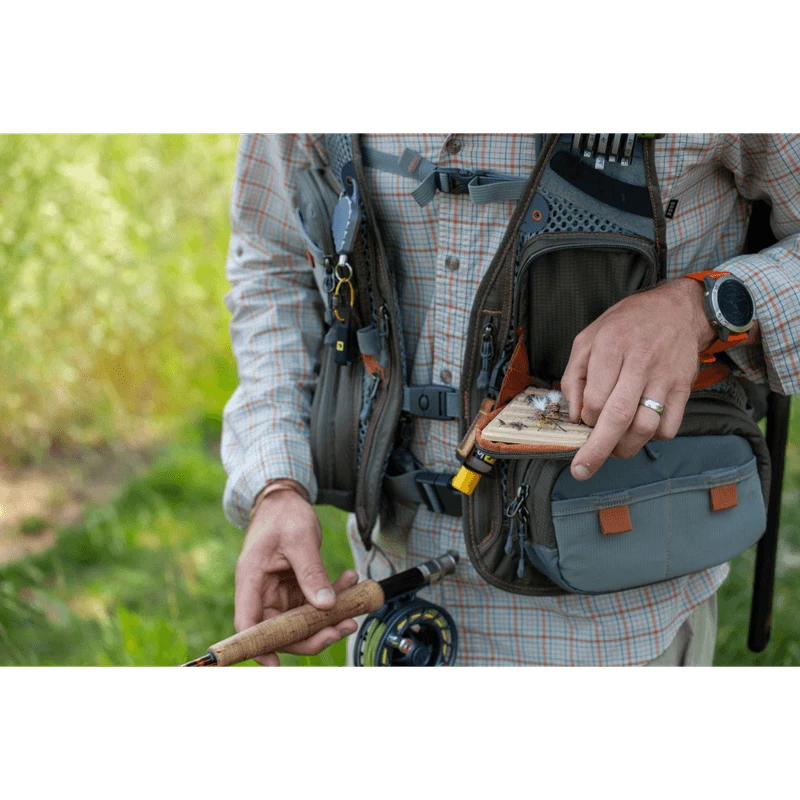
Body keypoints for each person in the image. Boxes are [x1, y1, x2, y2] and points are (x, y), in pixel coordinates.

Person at [221, 130, 799, 669]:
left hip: (618, 625)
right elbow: (273, 259)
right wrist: (276, 484)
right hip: (389, 593)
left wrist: (703, 309)